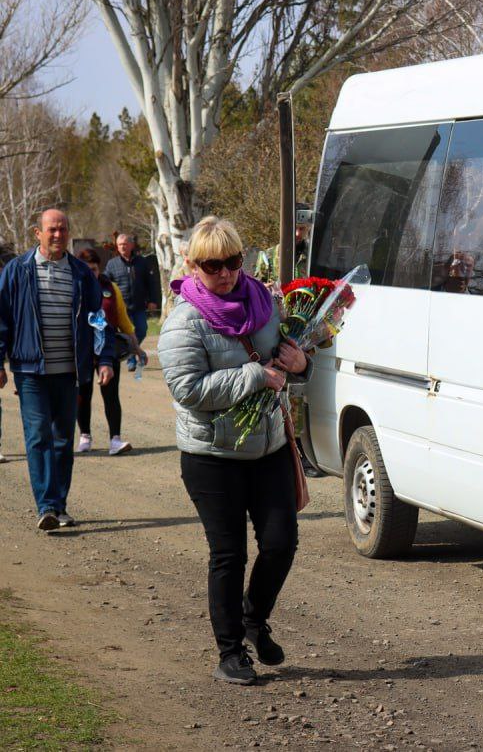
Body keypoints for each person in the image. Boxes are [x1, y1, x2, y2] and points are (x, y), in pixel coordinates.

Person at [158, 216, 310, 686]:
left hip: (268, 448)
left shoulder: (264, 303)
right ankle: (231, 652)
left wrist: (300, 362)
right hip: (212, 457)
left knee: (282, 543)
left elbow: (290, 359)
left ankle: (253, 618)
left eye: (232, 261)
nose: (224, 272)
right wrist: (254, 377)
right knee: (229, 554)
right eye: (211, 265)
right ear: (192, 265)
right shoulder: (184, 320)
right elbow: (186, 388)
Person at [0, 210, 115, 530]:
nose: (58, 235)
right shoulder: (17, 270)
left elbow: (98, 320)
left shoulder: (81, 274)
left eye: (63, 229)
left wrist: (105, 358)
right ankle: (47, 506)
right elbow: (2, 319)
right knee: (38, 436)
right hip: (30, 370)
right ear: (38, 233)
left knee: (63, 439)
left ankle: (59, 506)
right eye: (52, 229)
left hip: (69, 371)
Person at [75, 249, 142, 456]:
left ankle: (116, 439)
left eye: (93, 269)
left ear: (99, 268)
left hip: (108, 350)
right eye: (86, 269)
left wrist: (136, 347)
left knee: (111, 395)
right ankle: (85, 436)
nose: (90, 273)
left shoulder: (111, 288)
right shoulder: (72, 289)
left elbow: (123, 319)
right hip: (82, 352)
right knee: (83, 395)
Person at [105, 233, 157, 371]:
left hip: (139, 305)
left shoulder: (142, 262)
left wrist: (153, 300)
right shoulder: (112, 264)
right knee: (128, 333)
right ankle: (132, 358)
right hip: (122, 308)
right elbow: (106, 285)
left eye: (125, 244)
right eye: (120, 245)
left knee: (142, 330)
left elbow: (151, 283)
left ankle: (132, 352)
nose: (122, 247)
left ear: (131, 245)